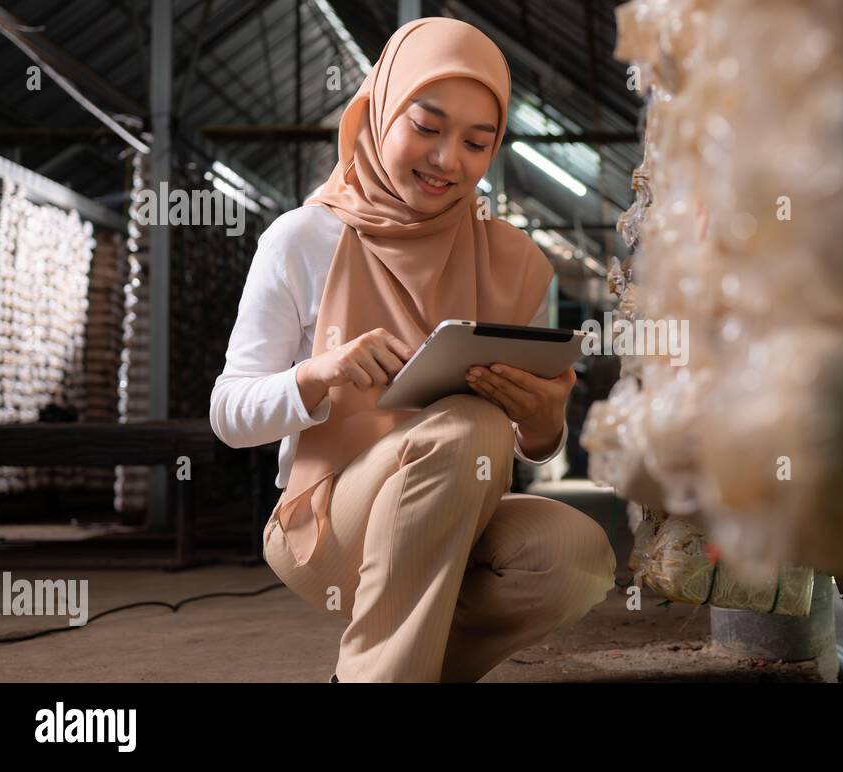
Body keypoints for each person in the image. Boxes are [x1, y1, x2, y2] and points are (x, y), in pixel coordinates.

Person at [209, 17, 616, 682]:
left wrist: (543, 422)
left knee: (574, 559)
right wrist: (314, 377)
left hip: (455, 510)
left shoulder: (511, 261)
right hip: (327, 526)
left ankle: (387, 671)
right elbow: (227, 413)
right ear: (377, 111)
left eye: (477, 143)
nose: (447, 159)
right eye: (425, 127)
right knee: (468, 425)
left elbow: (533, 447)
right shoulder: (303, 239)